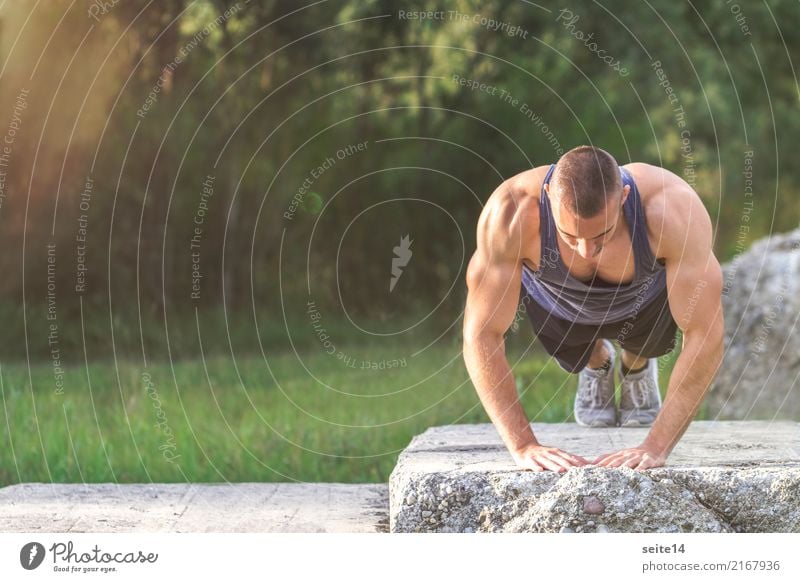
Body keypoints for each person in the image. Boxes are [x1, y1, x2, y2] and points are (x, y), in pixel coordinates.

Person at [462, 145, 724, 472]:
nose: (586, 250)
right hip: (560, 305)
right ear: (548, 197)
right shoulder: (511, 213)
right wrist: (524, 445)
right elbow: (481, 334)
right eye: (570, 236)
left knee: (643, 343)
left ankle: (636, 366)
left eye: (602, 233)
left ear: (625, 196)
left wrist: (656, 447)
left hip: (644, 303)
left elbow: (706, 335)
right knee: (581, 354)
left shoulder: (671, 210)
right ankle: (598, 363)